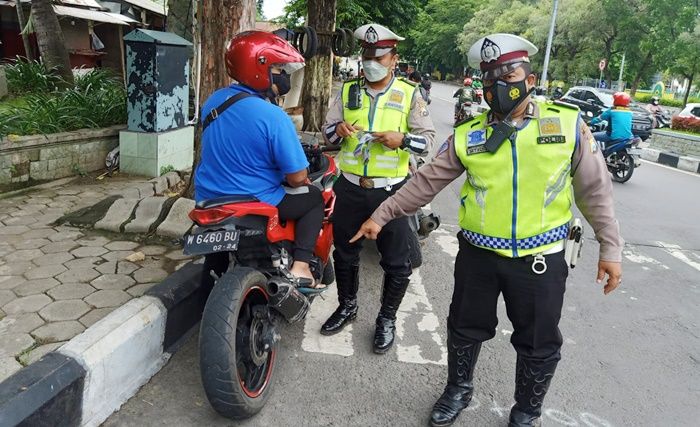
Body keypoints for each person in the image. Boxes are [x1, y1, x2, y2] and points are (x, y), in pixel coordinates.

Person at [351, 33, 623, 426]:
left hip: (540, 260)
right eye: (489, 77)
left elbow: (595, 192)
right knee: (464, 328)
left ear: (529, 80)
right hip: (478, 256)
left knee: (538, 341)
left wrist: (610, 249)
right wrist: (382, 214)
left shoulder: (565, 125)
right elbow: (425, 182)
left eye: (509, 73)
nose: (499, 84)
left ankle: (527, 410)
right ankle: (458, 389)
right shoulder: (469, 134)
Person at [320, 23, 436, 353]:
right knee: (344, 252)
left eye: (379, 57)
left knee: (397, 262)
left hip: (393, 193)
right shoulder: (346, 91)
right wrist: (338, 130)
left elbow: (428, 142)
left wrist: (402, 140)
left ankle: (386, 319)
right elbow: (325, 132)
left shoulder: (411, 94)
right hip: (351, 187)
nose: (371, 62)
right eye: (367, 56)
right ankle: (347, 306)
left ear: (393, 59)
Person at [194, 30, 325, 291]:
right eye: (278, 68)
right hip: (254, 199)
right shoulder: (273, 116)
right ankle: (301, 266)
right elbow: (297, 177)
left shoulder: (213, 101)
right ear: (259, 67)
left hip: (207, 198)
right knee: (313, 199)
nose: (283, 75)